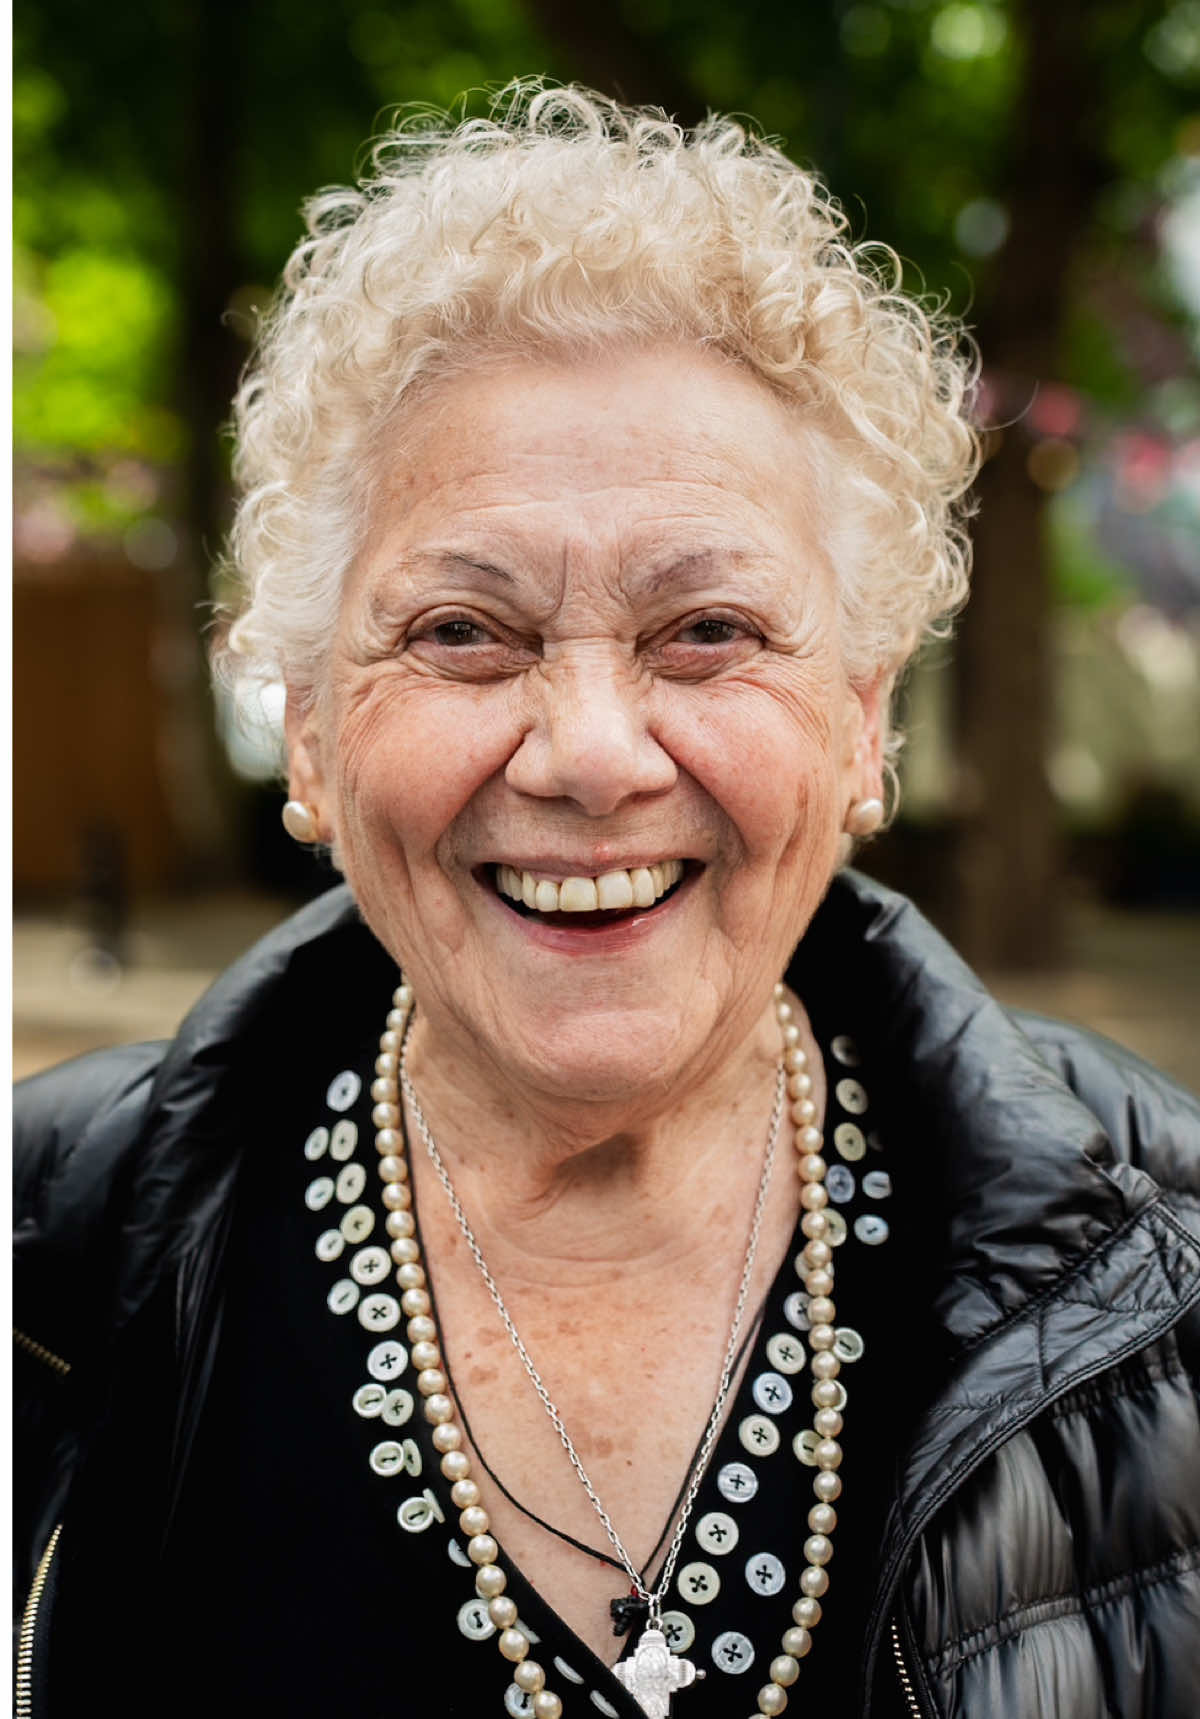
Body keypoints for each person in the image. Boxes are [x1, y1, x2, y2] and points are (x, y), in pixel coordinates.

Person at [14, 83, 1200, 1719]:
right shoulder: (40, 1266)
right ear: (309, 732)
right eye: (463, 634)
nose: (588, 753)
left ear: (862, 724)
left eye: (706, 629)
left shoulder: (1168, 1263)